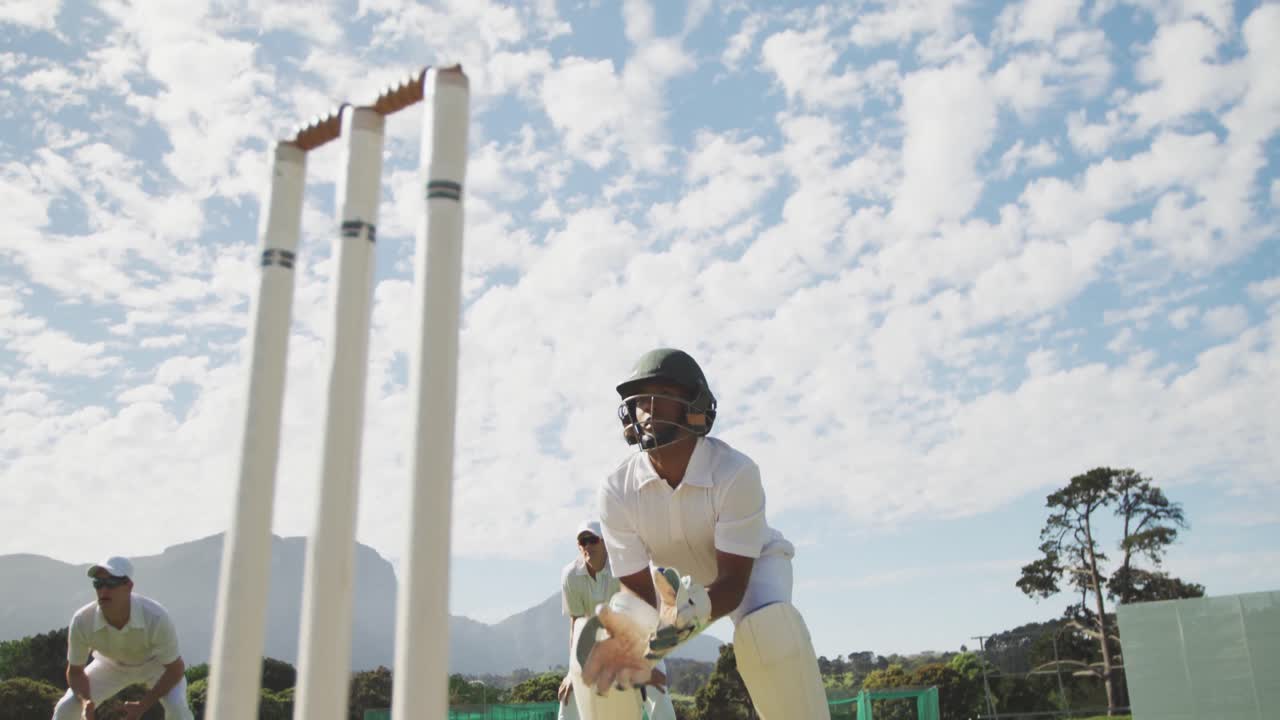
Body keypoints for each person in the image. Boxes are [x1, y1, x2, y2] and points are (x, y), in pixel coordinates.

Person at [586, 348, 830, 719]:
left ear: (696, 406)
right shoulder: (616, 488)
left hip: (750, 569)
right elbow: (636, 589)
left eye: (662, 393)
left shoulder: (735, 473)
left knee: (770, 633)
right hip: (668, 582)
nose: (647, 409)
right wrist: (641, 643)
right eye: (638, 400)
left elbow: (733, 583)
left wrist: (695, 612)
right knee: (607, 645)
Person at [53, 556, 193, 720]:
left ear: (128, 586)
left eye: (111, 583)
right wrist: (86, 702)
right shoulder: (82, 620)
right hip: (109, 664)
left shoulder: (156, 617)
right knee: (66, 708)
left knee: (178, 709)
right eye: (98, 583)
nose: (103, 590)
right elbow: (75, 672)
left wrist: (143, 706)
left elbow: (175, 669)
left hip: (156, 665)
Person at [560, 520, 675, 720]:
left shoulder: (623, 569)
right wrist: (572, 672)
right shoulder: (570, 576)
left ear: (605, 542)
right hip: (593, 648)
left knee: (658, 691)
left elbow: (641, 613)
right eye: (582, 542)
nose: (587, 546)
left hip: (636, 641)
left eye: (592, 540)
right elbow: (576, 623)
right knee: (567, 696)